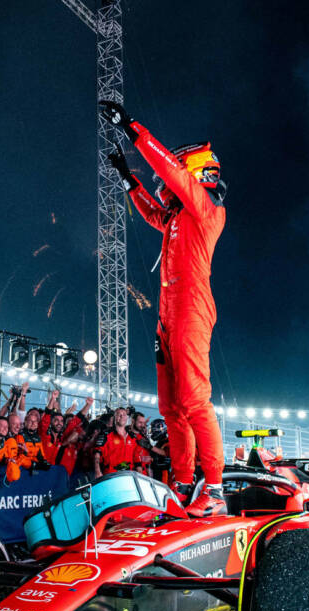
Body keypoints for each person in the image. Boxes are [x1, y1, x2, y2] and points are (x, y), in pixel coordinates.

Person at [101, 100, 228, 518]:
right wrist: (127, 180)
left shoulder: (207, 209)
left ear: (193, 172)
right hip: (168, 315)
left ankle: (215, 489)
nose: (166, 182)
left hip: (191, 309)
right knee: (171, 407)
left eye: (177, 172)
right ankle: (184, 482)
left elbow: (169, 173)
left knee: (194, 399)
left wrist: (132, 127)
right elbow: (154, 214)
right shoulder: (178, 217)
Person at [94, 407, 141, 478]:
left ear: (127, 418)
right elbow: (97, 454)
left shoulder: (132, 437)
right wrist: (97, 472)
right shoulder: (106, 434)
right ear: (114, 418)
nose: (122, 416)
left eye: (124, 414)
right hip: (110, 475)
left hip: (128, 476)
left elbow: (137, 458)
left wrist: (140, 475)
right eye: (119, 414)